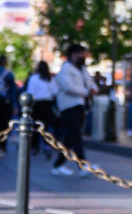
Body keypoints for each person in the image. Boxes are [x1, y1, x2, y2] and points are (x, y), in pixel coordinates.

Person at [53, 43, 94, 174]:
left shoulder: (82, 69)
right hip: (68, 106)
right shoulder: (66, 69)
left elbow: (90, 83)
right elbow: (67, 86)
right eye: (79, 53)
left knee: (70, 138)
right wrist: (86, 92)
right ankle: (83, 165)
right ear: (73, 54)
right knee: (75, 135)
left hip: (80, 105)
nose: (82, 56)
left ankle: (57, 165)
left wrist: (93, 90)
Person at [24, 60, 57, 155]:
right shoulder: (50, 79)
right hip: (47, 104)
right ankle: (47, 144)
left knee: (35, 126)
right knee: (46, 126)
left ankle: (35, 146)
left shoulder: (34, 78)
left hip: (37, 104)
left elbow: (30, 92)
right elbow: (55, 92)